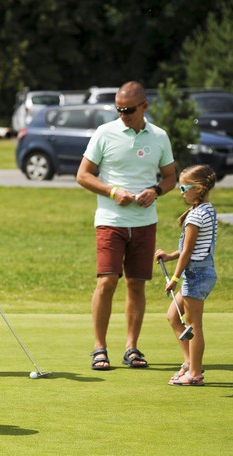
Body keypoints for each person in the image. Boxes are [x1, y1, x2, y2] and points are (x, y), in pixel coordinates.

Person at [76, 80, 177, 370]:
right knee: (107, 281)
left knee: (136, 284)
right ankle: (99, 348)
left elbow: (170, 177)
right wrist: (112, 191)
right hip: (111, 221)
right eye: (119, 110)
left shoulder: (159, 136)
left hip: (145, 222)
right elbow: (83, 175)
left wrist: (155, 192)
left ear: (144, 106)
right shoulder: (104, 133)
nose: (123, 115)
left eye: (129, 110)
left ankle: (131, 348)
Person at [155, 164, 218, 386]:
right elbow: (186, 250)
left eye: (184, 188)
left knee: (193, 326)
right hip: (199, 273)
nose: (181, 192)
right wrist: (170, 255)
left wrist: (174, 278)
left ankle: (195, 373)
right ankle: (189, 362)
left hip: (197, 274)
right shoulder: (205, 209)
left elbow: (189, 253)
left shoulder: (197, 216)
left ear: (198, 188)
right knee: (173, 316)